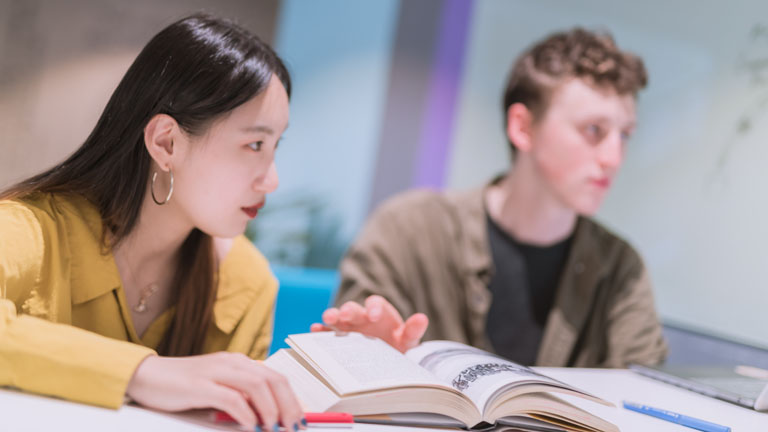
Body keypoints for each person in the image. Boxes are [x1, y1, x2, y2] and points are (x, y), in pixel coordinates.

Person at [0, 14, 305, 431]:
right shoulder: (27, 231)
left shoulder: (245, 283)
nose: (272, 179)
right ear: (166, 142)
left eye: (274, 147)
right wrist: (143, 374)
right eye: (254, 144)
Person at [315, 28, 668, 368]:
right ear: (522, 127)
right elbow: (346, 365)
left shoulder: (620, 269)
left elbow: (646, 397)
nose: (614, 158)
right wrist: (369, 353)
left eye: (624, 136)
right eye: (594, 130)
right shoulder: (408, 231)